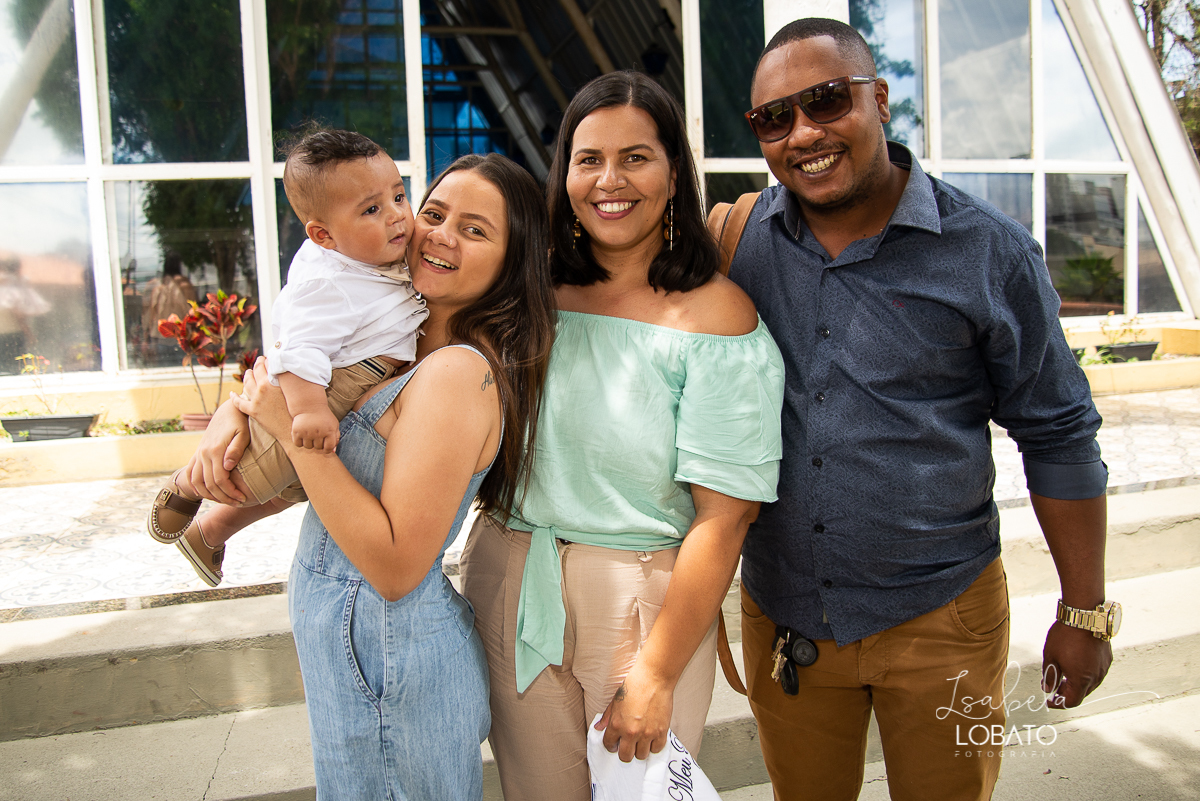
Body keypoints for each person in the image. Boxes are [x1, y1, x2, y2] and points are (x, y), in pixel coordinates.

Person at [723, 18, 1115, 800]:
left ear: (879, 100)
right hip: (788, 620)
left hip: (943, 619)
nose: (805, 133)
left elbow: (1059, 428)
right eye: (775, 118)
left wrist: (1086, 610)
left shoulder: (988, 251)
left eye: (828, 100)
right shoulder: (739, 241)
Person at [178, 153, 556, 799]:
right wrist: (237, 415)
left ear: (510, 261)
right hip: (361, 646)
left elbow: (397, 566)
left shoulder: (457, 374)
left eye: (475, 230)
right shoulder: (393, 345)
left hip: (391, 649)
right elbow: (329, 459)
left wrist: (294, 435)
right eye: (434, 212)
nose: (438, 233)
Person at [457, 71, 786, 800]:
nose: (610, 179)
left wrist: (659, 670)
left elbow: (725, 516)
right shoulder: (525, 289)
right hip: (510, 575)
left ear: (674, 174)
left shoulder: (717, 319)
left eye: (636, 157)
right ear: (565, 173)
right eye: (588, 158)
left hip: (642, 603)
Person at [146, 129, 428, 588]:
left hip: (350, 386)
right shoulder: (328, 282)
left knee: (298, 486)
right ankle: (188, 482)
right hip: (323, 388)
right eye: (372, 209)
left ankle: (209, 533)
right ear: (324, 235)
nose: (398, 216)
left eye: (399, 196)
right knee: (255, 477)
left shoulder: (378, 256)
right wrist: (309, 410)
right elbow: (297, 351)